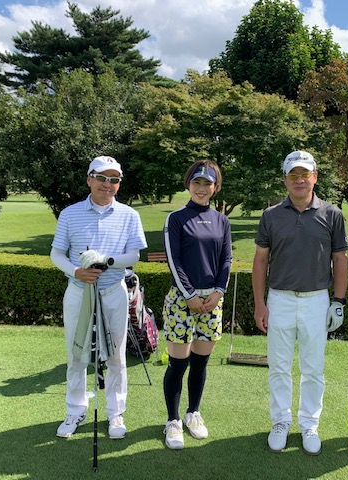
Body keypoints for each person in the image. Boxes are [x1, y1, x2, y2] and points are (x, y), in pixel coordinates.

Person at [252, 150, 348, 456]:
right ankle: (281, 421)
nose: (299, 180)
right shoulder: (270, 215)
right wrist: (259, 304)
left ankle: (309, 424)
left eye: (305, 174)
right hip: (279, 299)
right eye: (293, 175)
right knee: (279, 367)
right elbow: (261, 261)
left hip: (316, 301)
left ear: (314, 177)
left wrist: (338, 300)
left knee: (313, 368)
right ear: (284, 179)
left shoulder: (332, 214)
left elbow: (340, 259)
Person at [50, 155, 147, 440]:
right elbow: (56, 253)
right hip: (78, 292)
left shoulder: (129, 215)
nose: (107, 184)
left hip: (113, 291)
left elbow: (134, 256)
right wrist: (76, 271)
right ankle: (75, 410)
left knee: (116, 355)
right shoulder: (70, 214)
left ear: (119, 184)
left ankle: (115, 412)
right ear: (89, 179)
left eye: (114, 179)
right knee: (76, 353)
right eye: (102, 178)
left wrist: (107, 261)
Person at [161, 160, 232, 450]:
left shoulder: (222, 221)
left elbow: (226, 259)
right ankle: (173, 420)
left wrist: (218, 292)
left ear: (215, 187)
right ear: (188, 184)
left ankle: (193, 413)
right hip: (182, 300)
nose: (201, 188)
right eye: (196, 182)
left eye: (207, 184)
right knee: (178, 364)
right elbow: (173, 259)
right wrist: (190, 295)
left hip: (213, 300)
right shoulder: (176, 218)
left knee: (201, 363)